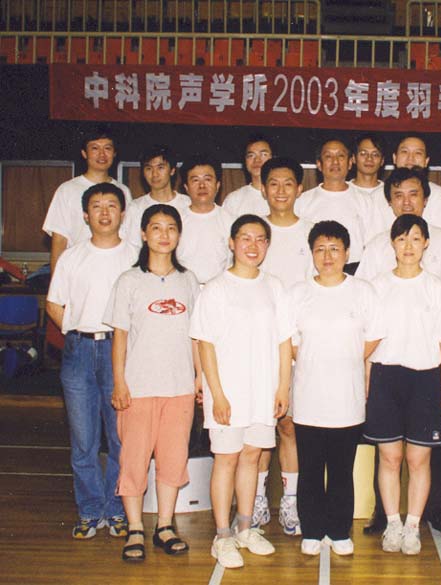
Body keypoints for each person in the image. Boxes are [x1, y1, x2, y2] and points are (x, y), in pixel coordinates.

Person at [357, 168, 441, 536]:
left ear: (426, 243)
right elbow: (367, 337)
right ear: (393, 243)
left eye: (416, 238)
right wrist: (365, 381)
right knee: (389, 455)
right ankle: (390, 522)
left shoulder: (437, 284)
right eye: (402, 239)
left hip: (426, 377)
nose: (409, 245)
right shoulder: (377, 282)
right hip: (386, 375)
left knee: (420, 457)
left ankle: (415, 525)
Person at [190, 214, 293, 569]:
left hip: (263, 390)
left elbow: (284, 341)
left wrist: (282, 386)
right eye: (245, 238)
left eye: (260, 239)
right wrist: (217, 394)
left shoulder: (274, 287)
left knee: (252, 457)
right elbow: (205, 344)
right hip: (228, 393)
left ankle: (245, 528)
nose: (253, 245)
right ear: (232, 243)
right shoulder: (215, 288)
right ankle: (222, 536)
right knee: (227, 459)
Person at [105, 204, 200, 562]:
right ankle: (135, 528)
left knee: (173, 460)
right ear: (144, 234)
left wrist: (199, 378)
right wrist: (119, 382)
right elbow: (120, 337)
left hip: (179, 388)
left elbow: (197, 336)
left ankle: (164, 525)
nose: (164, 235)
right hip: (139, 388)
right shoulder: (129, 281)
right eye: (156, 228)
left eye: (171, 228)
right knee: (134, 459)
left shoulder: (189, 281)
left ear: (179, 235)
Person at [45, 183, 138, 539]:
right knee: (83, 441)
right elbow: (53, 303)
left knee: (119, 438)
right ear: (85, 215)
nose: (104, 212)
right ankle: (89, 510)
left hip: (121, 353)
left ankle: (115, 509)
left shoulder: (136, 256)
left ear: (122, 213)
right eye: (96, 206)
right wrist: (76, 329)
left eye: (111, 205)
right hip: (79, 352)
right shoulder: (72, 257)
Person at [289, 221, 383, 557]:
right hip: (308, 397)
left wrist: (346, 357)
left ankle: (339, 530)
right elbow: (290, 343)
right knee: (311, 469)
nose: (327, 256)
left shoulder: (363, 291)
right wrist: (319, 359)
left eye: (334, 249)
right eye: (320, 249)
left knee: (342, 469)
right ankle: (312, 529)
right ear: (311, 254)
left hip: (347, 397)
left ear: (346, 253)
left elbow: (373, 336)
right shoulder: (297, 293)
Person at [249, 157, 314, 535]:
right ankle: (256, 499)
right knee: (259, 428)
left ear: (300, 189)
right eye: (273, 183)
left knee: (288, 427)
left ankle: (291, 502)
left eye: (288, 183)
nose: (280, 191)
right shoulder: (253, 232)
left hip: (298, 347)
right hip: (257, 347)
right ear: (263, 188)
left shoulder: (310, 232)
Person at [43, 125, 132, 269]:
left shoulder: (123, 191)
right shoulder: (67, 190)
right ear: (84, 153)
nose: (102, 154)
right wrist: (56, 281)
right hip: (79, 269)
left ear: (114, 153)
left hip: (116, 268)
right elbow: (59, 242)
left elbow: (128, 237)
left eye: (107, 148)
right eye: (95, 148)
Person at [357, 167, 441, 291]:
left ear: (425, 200)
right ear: (390, 201)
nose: (406, 202)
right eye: (399, 196)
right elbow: (362, 291)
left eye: (413, 195)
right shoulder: (377, 245)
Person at [295, 140, 368, 274]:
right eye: (328, 156)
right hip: (314, 272)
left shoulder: (365, 200)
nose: (335, 162)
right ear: (319, 164)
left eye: (340, 156)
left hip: (355, 273)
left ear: (350, 163)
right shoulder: (303, 201)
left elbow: (370, 244)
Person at [364, 135, 441, 243]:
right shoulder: (377, 196)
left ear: (426, 161)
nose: (410, 158)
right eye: (404, 152)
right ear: (394, 158)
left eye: (418, 153)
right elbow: (372, 240)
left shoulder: (438, 195)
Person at [177, 155, 234, 284]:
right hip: (183, 288)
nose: (202, 185)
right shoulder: (176, 221)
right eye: (195, 180)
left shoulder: (230, 221)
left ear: (217, 185)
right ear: (186, 187)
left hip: (219, 289)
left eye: (207, 179)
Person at [121, 145, 191, 249]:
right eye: (149, 168)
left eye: (160, 167)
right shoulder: (135, 207)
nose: (154, 174)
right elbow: (132, 247)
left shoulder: (188, 204)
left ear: (172, 170)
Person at [222, 134, 273, 218]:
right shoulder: (234, 200)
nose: (257, 160)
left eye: (264, 154)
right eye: (251, 155)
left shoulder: (285, 196)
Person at [348, 134, 386, 212]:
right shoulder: (345, 191)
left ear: (382, 161)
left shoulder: (389, 192)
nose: (369, 158)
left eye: (375, 154)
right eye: (363, 153)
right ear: (354, 158)